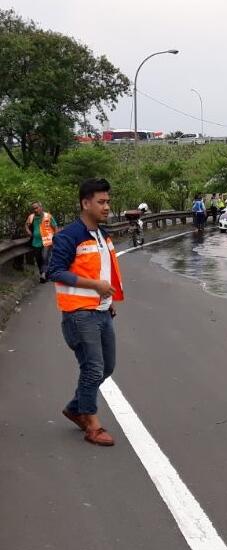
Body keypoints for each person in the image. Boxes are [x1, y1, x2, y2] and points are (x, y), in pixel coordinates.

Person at [47, 178, 124, 447]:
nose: (107, 207)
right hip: (79, 314)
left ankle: (75, 407)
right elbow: (54, 271)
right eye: (101, 202)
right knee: (92, 368)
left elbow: (101, 272)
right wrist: (95, 286)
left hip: (101, 311)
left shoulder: (102, 235)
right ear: (85, 203)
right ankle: (92, 423)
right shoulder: (70, 235)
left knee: (107, 367)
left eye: (108, 202)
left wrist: (107, 298)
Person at [24, 201, 58, 282]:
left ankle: (43, 275)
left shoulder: (48, 216)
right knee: (38, 258)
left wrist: (55, 238)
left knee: (45, 257)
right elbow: (26, 225)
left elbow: (55, 227)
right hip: (36, 242)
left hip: (47, 241)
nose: (35, 210)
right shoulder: (31, 217)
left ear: (41, 207)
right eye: (33, 208)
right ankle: (43, 273)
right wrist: (28, 230)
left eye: (36, 208)